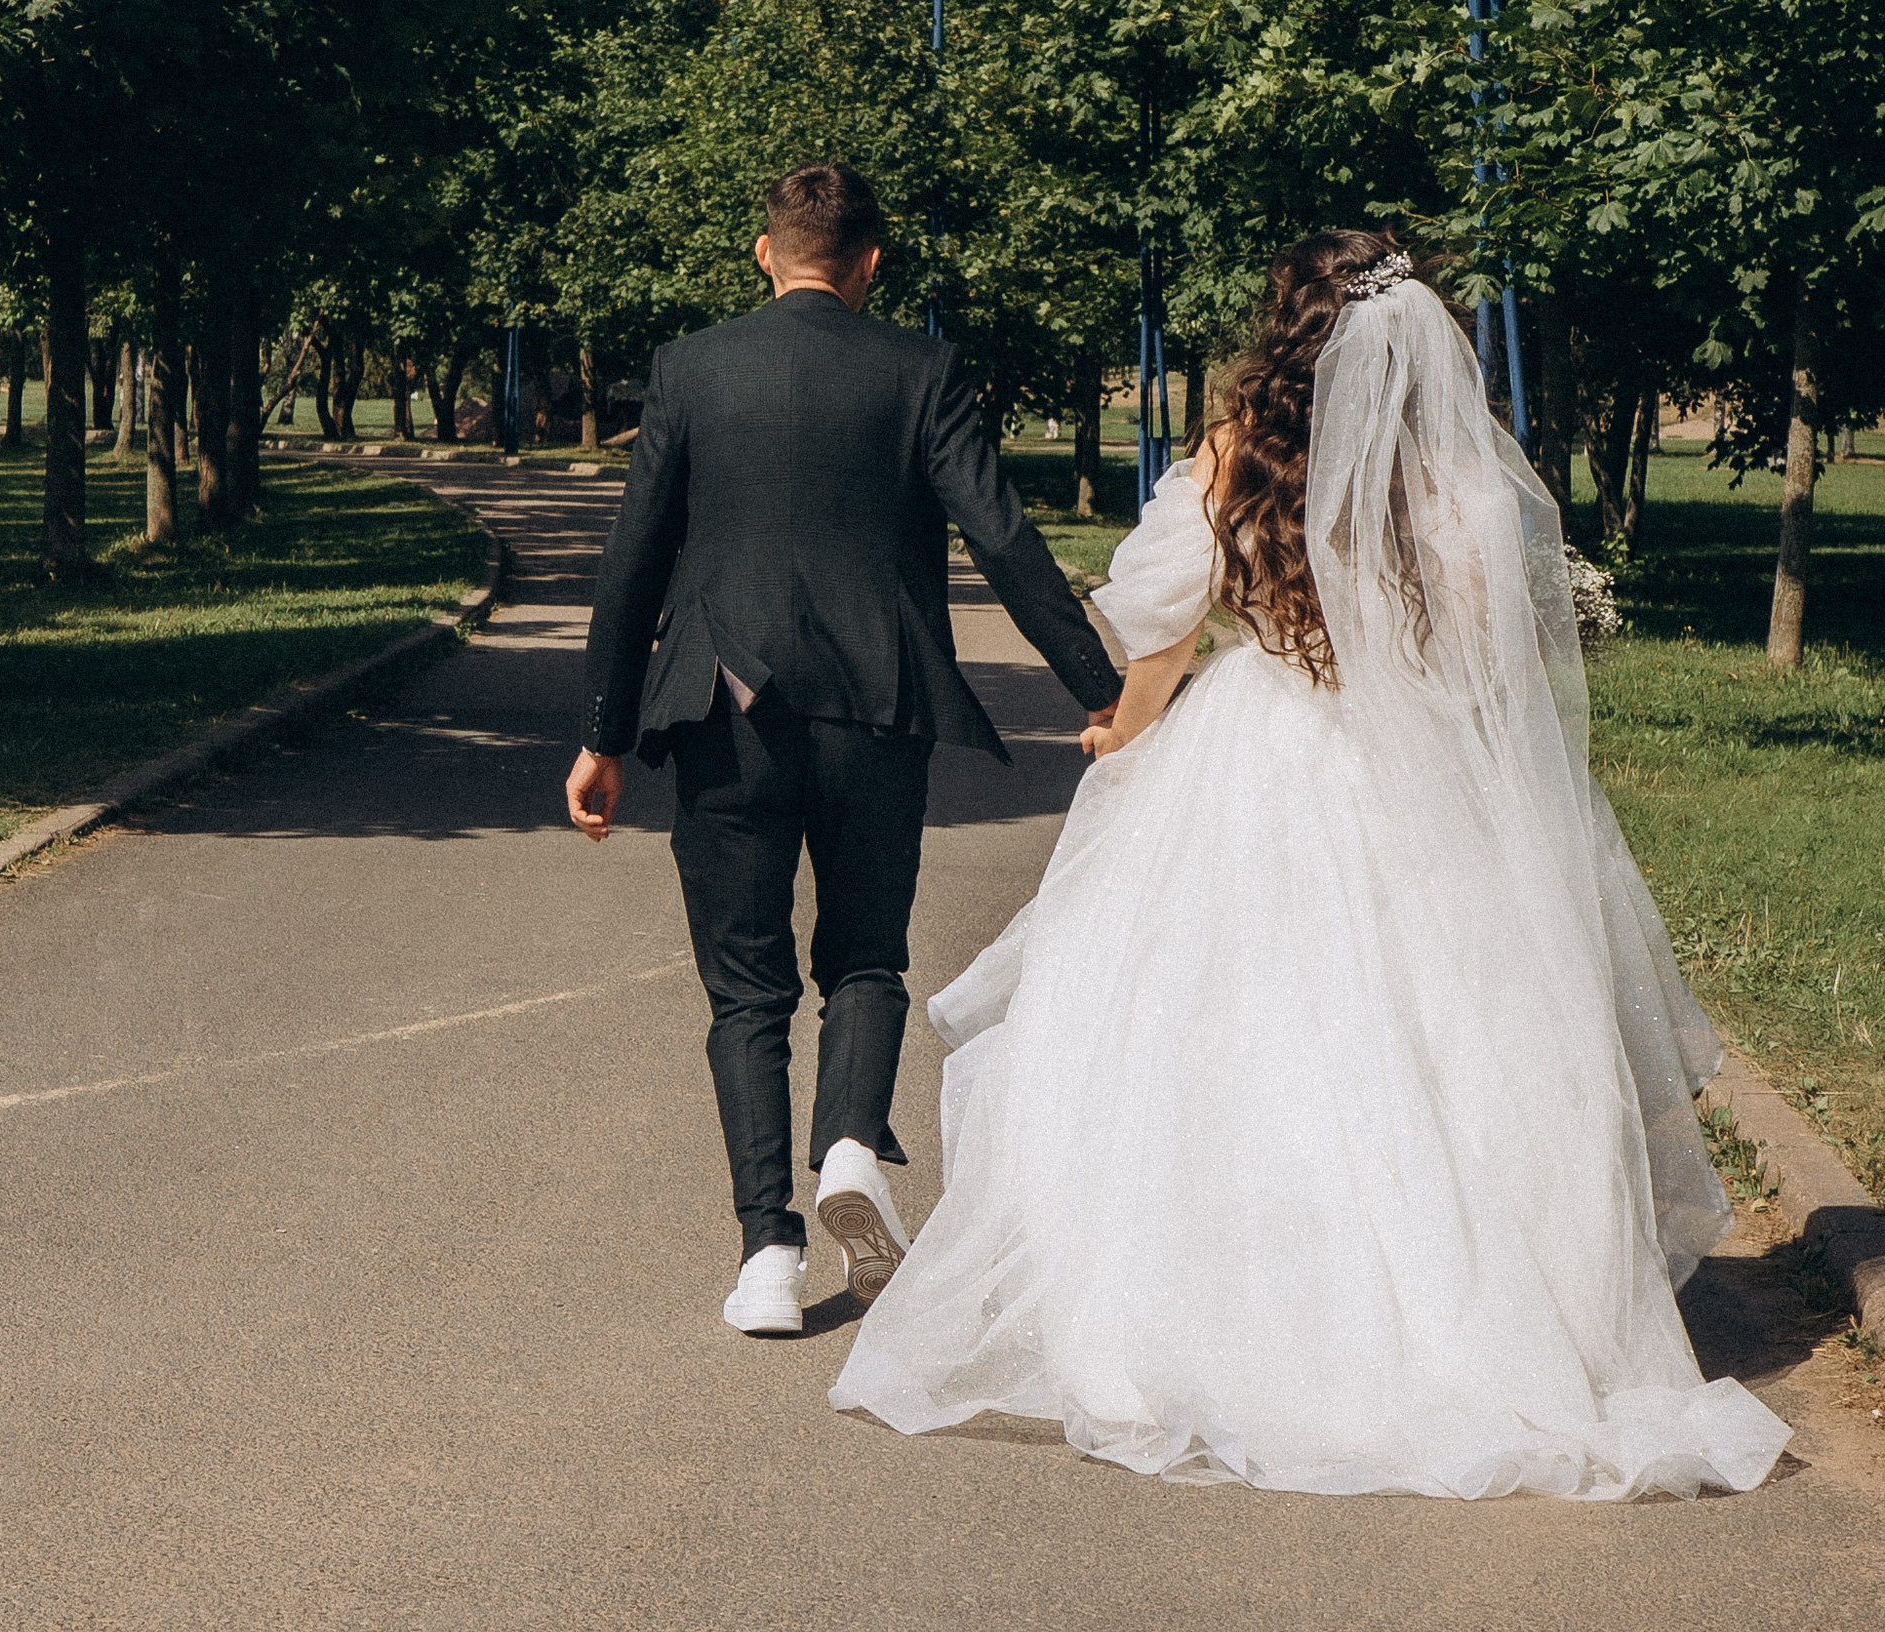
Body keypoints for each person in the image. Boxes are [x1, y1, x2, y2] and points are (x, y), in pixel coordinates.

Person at [831, 230, 1790, 1503]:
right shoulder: (1463, 487)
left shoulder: (1232, 460)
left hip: (1255, 752)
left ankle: (1223, 1311)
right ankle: (1474, 1315)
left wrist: (1122, 735)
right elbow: (1493, 683)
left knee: (1222, 1040)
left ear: (1289, 335)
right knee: (1435, 1046)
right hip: (1420, 780)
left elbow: (1161, 639)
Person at [566, 162, 1125, 1336]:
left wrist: (602, 735)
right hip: (879, 702)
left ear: (763, 253)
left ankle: (767, 1254)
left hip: (719, 707)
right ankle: (849, 1150)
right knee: (865, 958)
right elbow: (1003, 538)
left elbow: (630, 563)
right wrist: (1104, 691)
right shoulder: (918, 369)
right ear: (872, 262)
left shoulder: (691, 367)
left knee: (745, 988)